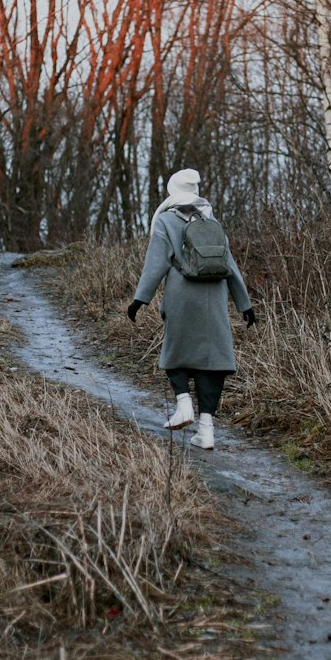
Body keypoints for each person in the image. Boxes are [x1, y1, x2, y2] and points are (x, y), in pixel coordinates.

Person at [126, 168, 255, 450]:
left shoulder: (166, 220)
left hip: (181, 293)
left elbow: (156, 263)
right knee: (214, 362)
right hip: (216, 295)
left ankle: (184, 404)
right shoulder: (211, 219)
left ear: (173, 190)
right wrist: (244, 304)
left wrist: (140, 300)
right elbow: (230, 264)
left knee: (176, 351)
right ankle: (206, 429)